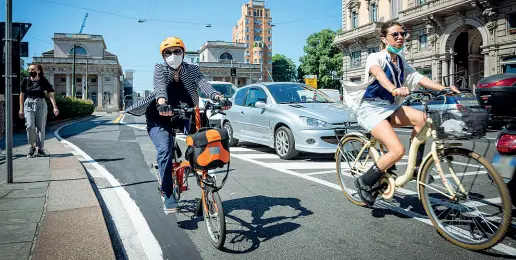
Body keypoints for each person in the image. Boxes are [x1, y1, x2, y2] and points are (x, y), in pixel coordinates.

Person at [343, 21, 460, 206]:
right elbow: (379, 74)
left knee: (423, 119)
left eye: (402, 34)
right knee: (397, 150)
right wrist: (394, 89)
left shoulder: (401, 62)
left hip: (390, 107)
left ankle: (415, 168)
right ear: (383, 39)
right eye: (395, 35)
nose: (400, 38)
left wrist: (444, 88)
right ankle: (364, 182)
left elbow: (420, 78)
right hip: (371, 109)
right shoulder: (376, 57)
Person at [125, 37, 230, 213]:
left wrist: (218, 98)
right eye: (168, 53)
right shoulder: (160, 69)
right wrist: (162, 103)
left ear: (183, 53)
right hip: (159, 115)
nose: (172, 55)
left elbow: (204, 85)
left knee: (201, 140)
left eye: (176, 51)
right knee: (165, 151)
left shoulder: (192, 70)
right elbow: (160, 87)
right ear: (163, 56)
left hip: (185, 112)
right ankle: (167, 193)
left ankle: (203, 180)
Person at [19, 64, 59, 157]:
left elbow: (50, 94)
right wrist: (21, 109)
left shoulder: (43, 81)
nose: (30, 71)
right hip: (28, 103)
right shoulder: (25, 80)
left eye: (33, 69)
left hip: (41, 103)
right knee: (29, 126)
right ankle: (32, 147)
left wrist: (55, 107)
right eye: (29, 69)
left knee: (40, 127)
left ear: (38, 71)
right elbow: (21, 94)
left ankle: (40, 149)